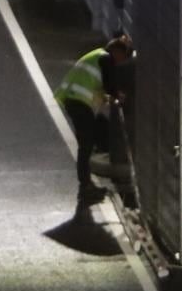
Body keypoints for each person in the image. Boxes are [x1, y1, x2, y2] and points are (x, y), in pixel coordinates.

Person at [53, 32, 134, 212]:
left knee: (100, 131)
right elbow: (109, 84)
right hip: (79, 102)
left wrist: (109, 97)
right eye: (123, 57)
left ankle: (87, 181)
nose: (121, 63)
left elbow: (99, 85)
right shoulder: (105, 58)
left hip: (79, 102)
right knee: (86, 144)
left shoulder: (98, 57)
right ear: (117, 52)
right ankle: (85, 186)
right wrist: (118, 95)